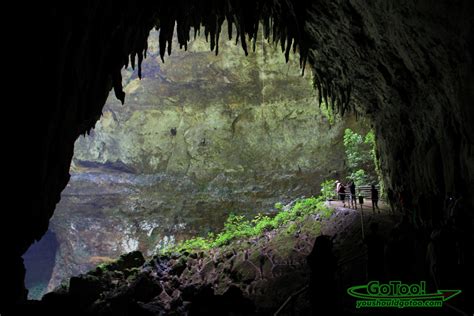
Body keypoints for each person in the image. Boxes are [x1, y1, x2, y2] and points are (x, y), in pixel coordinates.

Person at [307, 235, 338, 315]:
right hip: (327, 285)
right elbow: (334, 267)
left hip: (315, 286)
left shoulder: (312, 258)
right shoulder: (328, 257)